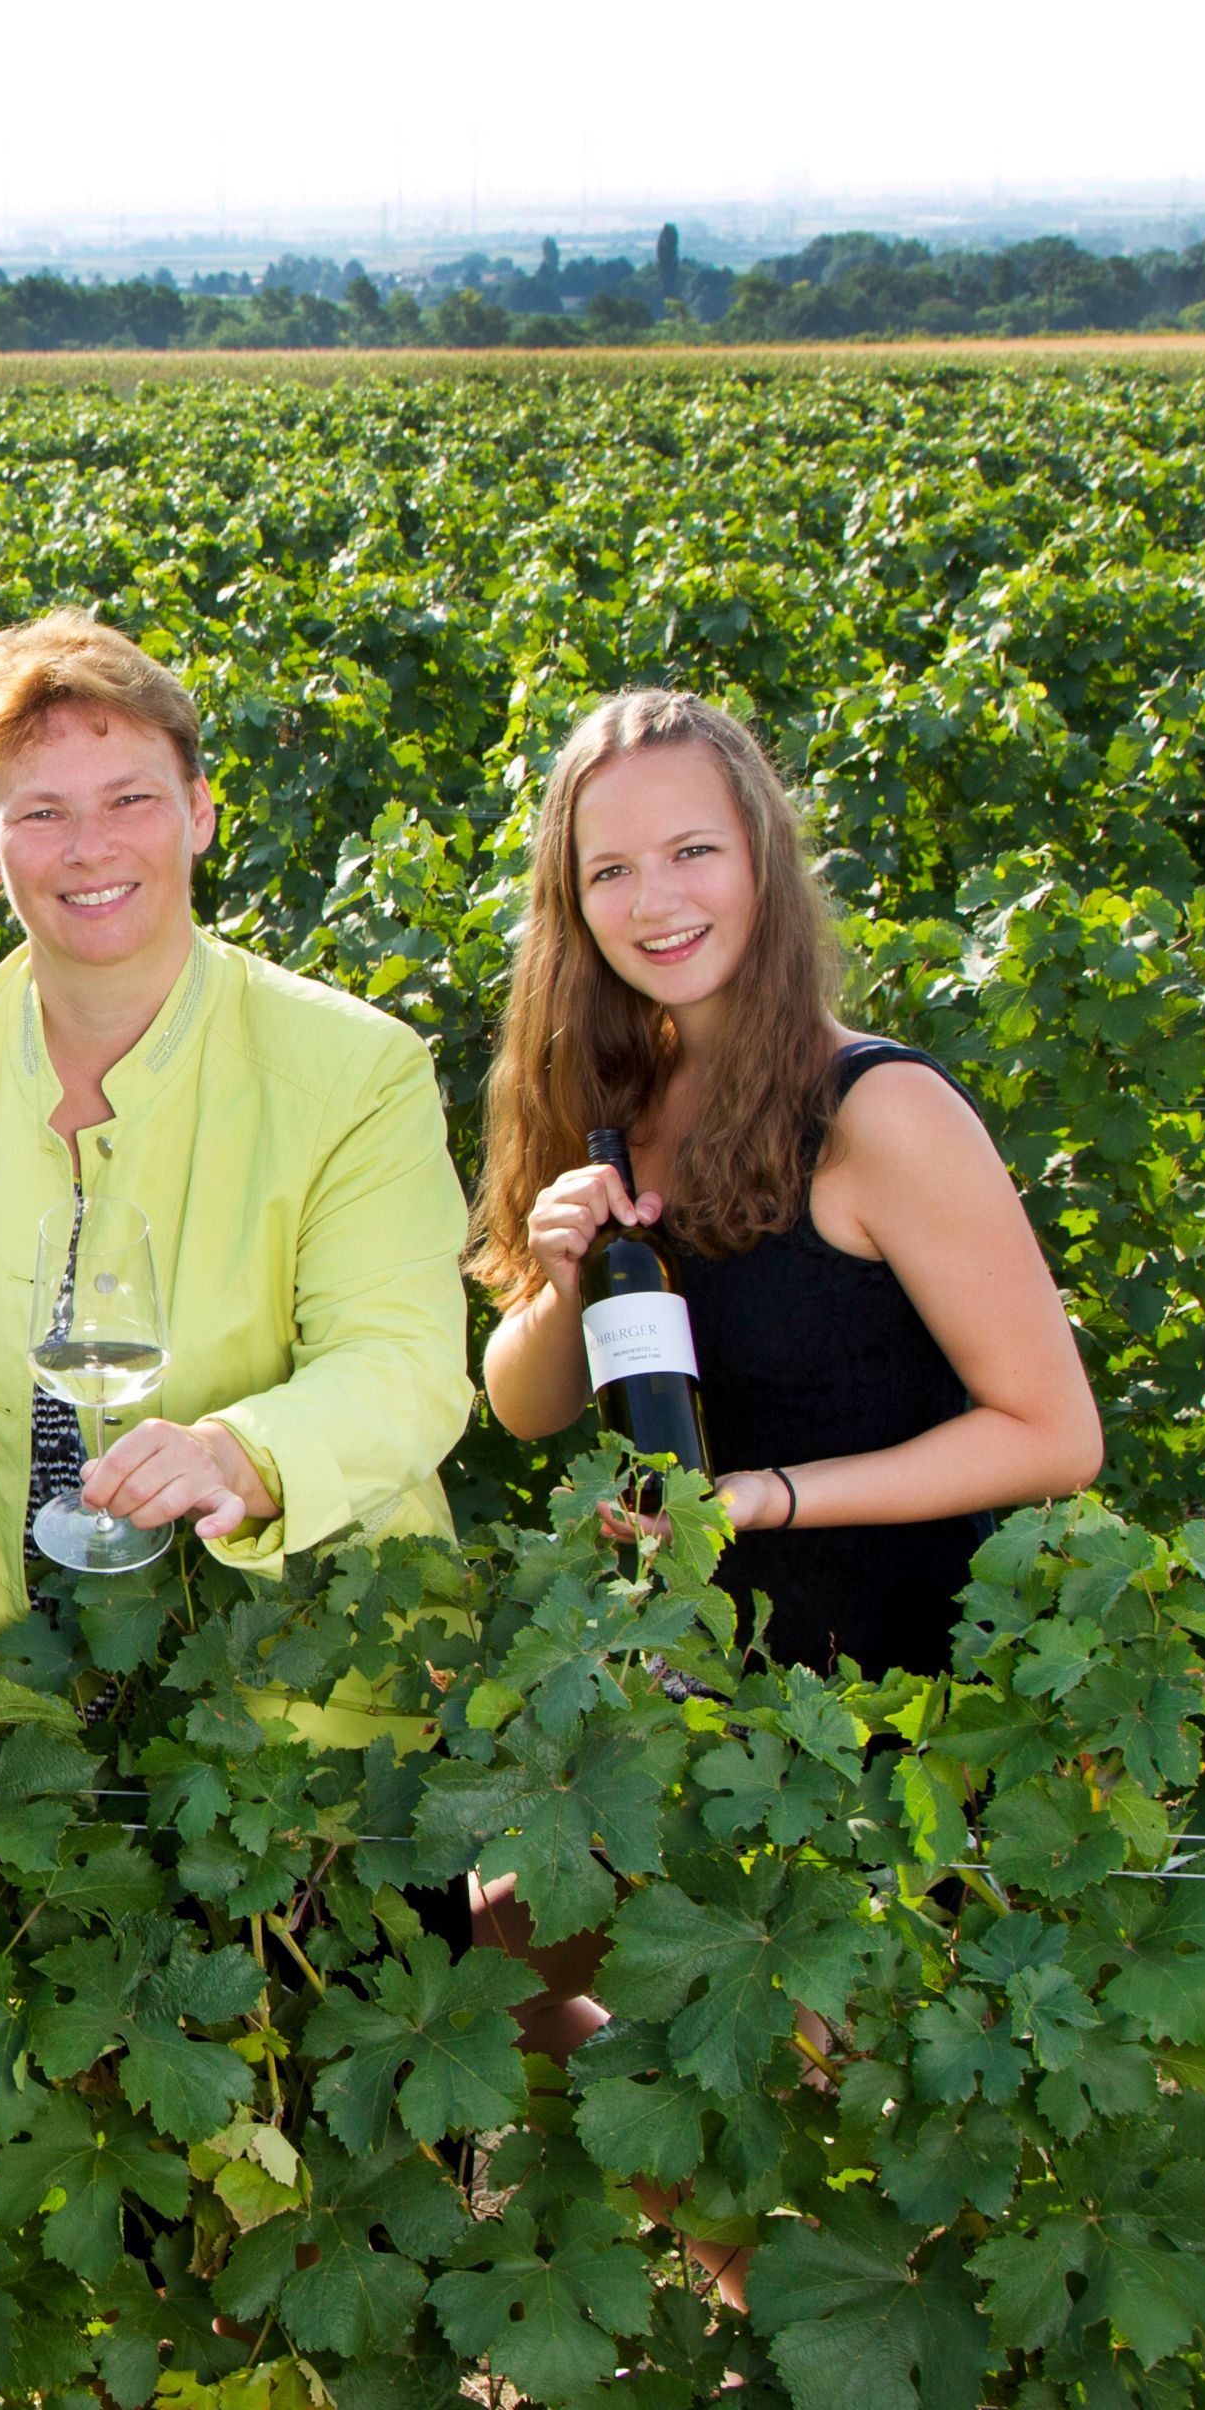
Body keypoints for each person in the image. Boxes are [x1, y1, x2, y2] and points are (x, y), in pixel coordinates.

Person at [0, 610, 472, 1706]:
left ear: (199, 813)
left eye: (130, 800)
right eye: (42, 812)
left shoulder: (355, 1070)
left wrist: (243, 1454)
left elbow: (404, 1363)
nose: (90, 847)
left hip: (289, 1723)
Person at [473, 686, 1101, 1677]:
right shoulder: (608, 1103)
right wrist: (561, 1285)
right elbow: (524, 1408)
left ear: (762, 857)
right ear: (573, 901)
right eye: (610, 871)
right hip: (689, 1689)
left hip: (891, 1703)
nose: (654, 902)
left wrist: (772, 1496)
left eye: (692, 852)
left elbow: (1054, 1436)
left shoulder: (879, 1110)